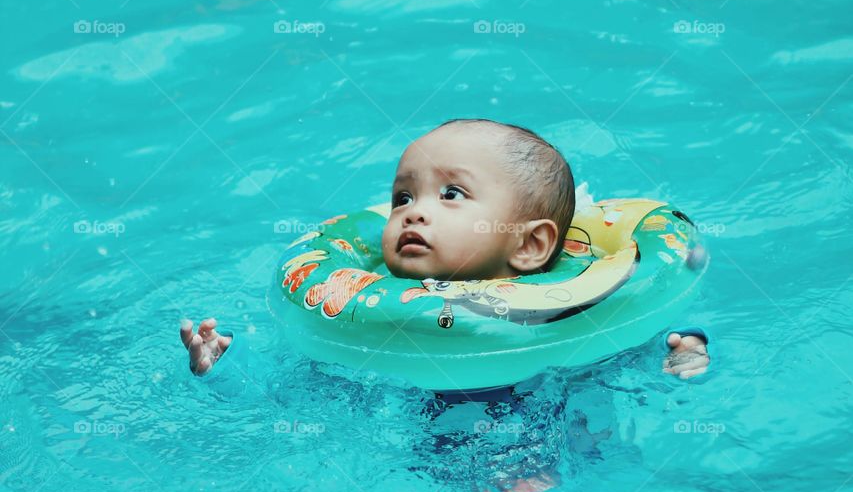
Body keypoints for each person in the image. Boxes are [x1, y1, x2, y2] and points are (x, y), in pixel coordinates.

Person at [180, 118, 711, 381]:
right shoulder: (374, 314)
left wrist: (685, 351)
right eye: (402, 197)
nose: (413, 212)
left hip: (570, 440)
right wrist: (229, 368)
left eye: (451, 194)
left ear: (530, 245)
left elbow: (631, 340)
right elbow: (300, 389)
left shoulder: (576, 307)